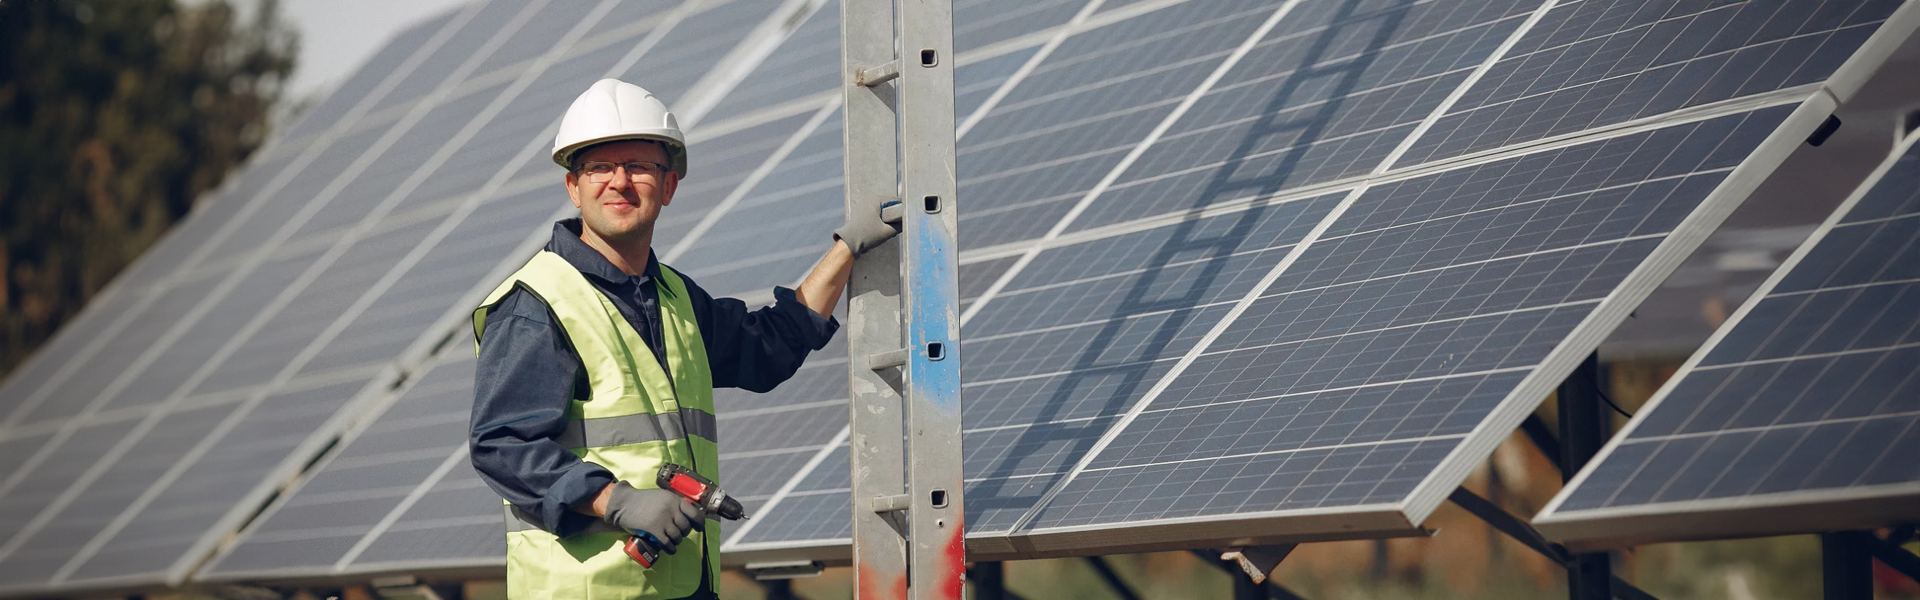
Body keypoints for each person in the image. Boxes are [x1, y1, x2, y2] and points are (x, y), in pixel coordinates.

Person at [468, 79, 897, 599]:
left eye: (639, 167)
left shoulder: (673, 296)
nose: (619, 182)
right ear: (573, 187)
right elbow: (503, 445)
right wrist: (617, 501)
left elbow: (766, 350)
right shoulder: (537, 302)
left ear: (668, 187)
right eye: (599, 167)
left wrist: (847, 250)